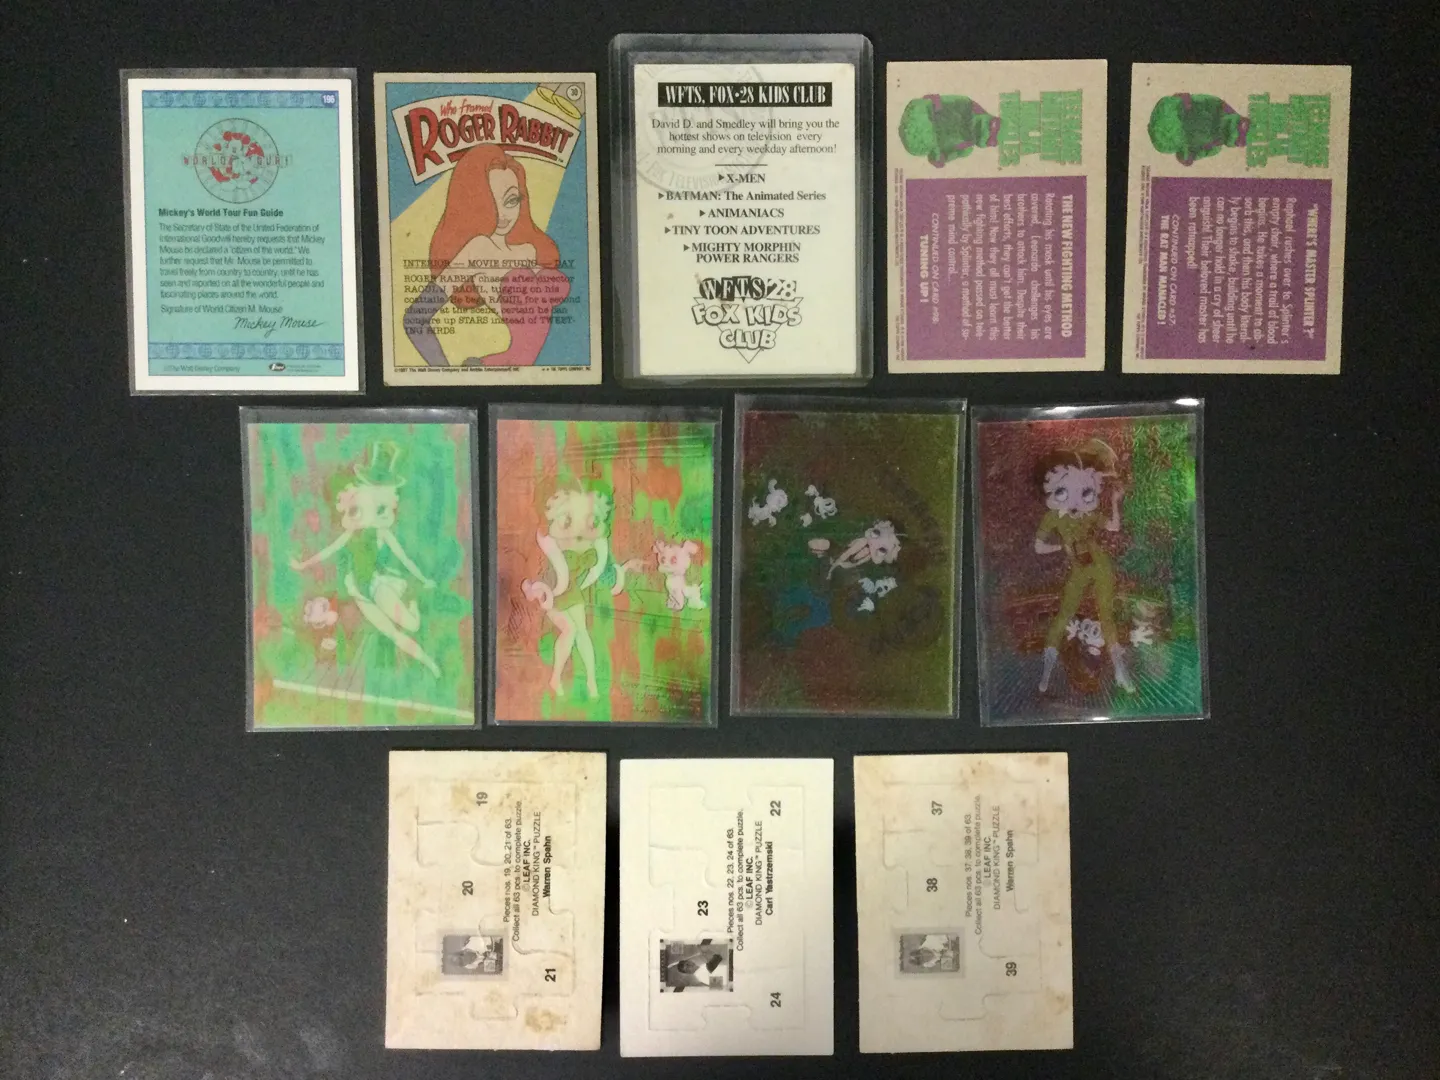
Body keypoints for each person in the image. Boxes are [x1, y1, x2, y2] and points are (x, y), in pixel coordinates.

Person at [403, 144, 570, 367]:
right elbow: (415, 319)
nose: (502, 214)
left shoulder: (530, 249)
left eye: (511, 201)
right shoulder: (478, 248)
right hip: (494, 367)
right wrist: (444, 374)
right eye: (489, 203)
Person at [289, 442, 441, 677]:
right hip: (359, 592)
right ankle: (430, 664)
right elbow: (328, 550)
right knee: (392, 633)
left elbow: (404, 558)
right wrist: (303, 565)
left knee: (412, 625)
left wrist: (423, 579)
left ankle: (414, 608)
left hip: (377, 586)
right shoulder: (351, 533)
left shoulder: (382, 532)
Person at [1032, 439, 1135, 694]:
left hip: (1099, 564)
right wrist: (1062, 547)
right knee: (1064, 615)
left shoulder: (1089, 514)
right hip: (1078, 568)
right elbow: (1039, 547)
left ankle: (1121, 672)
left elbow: (1113, 526)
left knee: (1106, 615)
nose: (1076, 501)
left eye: (1086, 493)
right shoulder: (1052, 517)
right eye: (1061, 492)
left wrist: (1115, 501)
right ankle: (1045, 674)